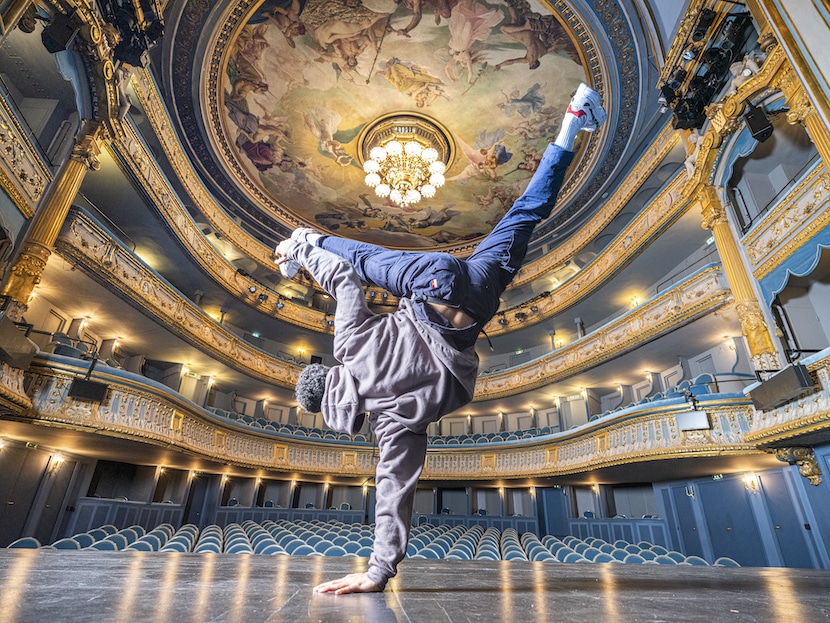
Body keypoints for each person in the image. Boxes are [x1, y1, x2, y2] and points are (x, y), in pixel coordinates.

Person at [274, 83, 606, 594]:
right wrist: (310, 254)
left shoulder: (390, 424)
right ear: (326, 374)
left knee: (525, 217)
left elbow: (394, 491)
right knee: (362, 261)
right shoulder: (349, 351)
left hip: (472, 308)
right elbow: (342, 279)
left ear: (330, 410)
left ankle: (572, 128)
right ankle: (572, 121)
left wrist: (377, 572)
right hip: (439, 279)